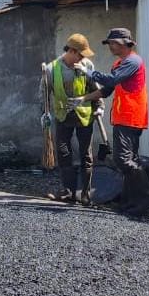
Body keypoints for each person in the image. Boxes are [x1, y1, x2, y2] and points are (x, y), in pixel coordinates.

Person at [73, 28, 149, 217]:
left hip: (131, 117)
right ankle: (132, 202)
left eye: (113, 43)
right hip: (124, 117)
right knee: (129, 160)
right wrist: (83, 99)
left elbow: (113, 79)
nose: (110, 46)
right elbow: (107, 89)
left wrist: (89, 72)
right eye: (110, 43)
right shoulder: (121, 63)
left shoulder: (133, 61)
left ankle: (147, 195)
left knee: (123, 160)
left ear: (124, 44)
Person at [41, 34, 101, 204]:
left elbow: (96, 88)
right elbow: (44, 93)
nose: (83, 58)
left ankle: (86, 194)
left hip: (84, 115)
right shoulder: (51, 69)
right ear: (72, 51)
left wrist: (100, 107)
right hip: (63, 115)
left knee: (86, 154)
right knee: (63, 151)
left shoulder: (86, 65)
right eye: (81, 54)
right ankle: (68, 192)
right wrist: (44, 113)